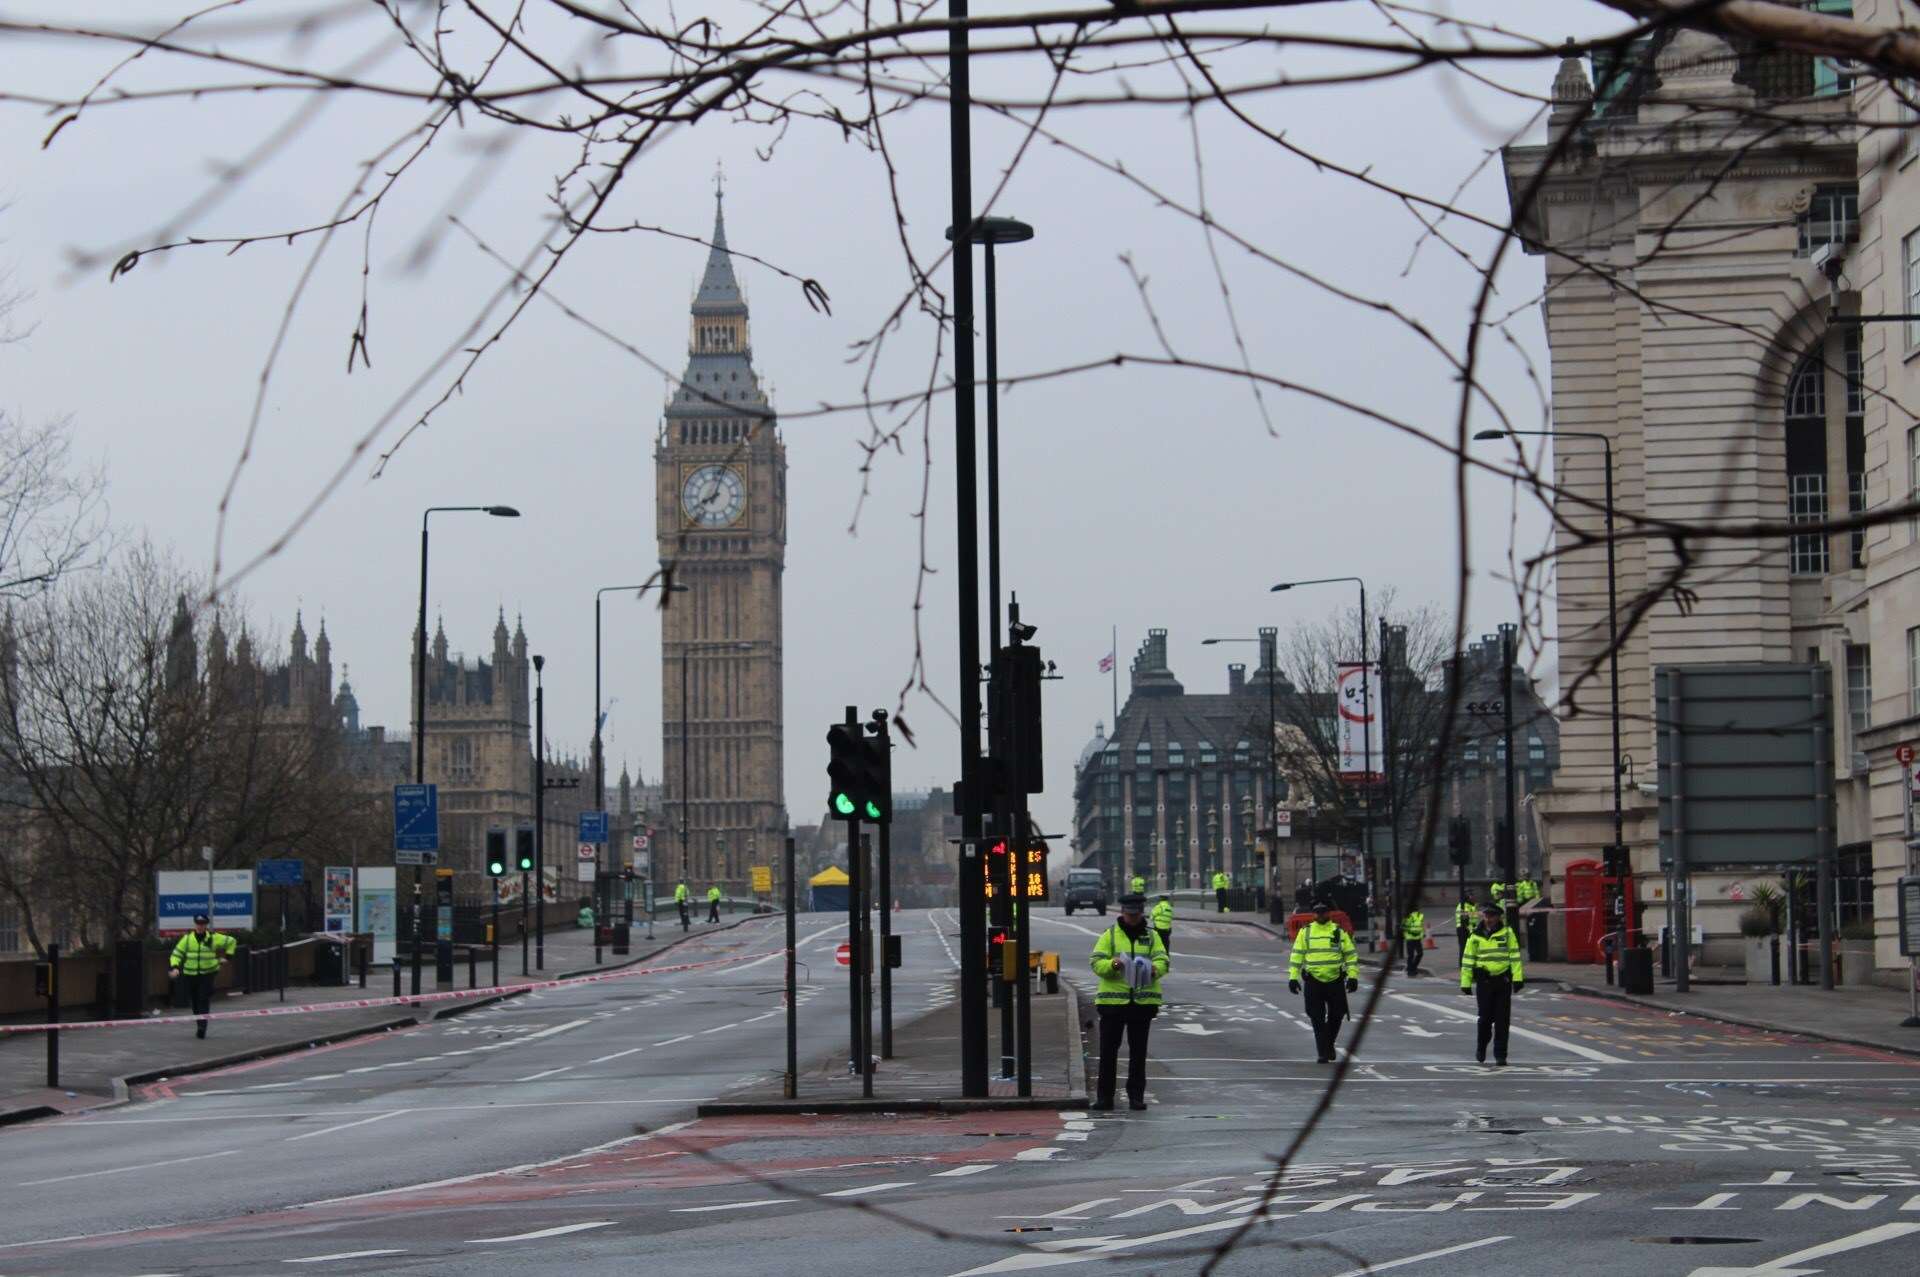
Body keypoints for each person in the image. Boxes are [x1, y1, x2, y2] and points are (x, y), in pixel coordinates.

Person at [1088, 893, 1168, 1111]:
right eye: (1129, 914)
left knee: (1138, 1052)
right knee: (1108, 1052)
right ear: (1122, 913)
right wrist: (1112, 965)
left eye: (1136, 914)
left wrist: (1155, 969)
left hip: (1142, 1003)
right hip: (1113, 1004)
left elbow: (1163, 959)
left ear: (1142, 913)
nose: (1132, 918)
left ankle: (1136, 1097)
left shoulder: (1152, 937)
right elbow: (1095, 962)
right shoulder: (1110, 935)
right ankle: (1104, 1098)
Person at [1288, 899, 1358, 1063]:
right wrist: (1293, 977)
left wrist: (1353, 976)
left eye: (1324, 911)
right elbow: (1297, 955)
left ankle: (1328, 1044)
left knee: (1337, 1015)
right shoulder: (1306, 932)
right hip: (1313, 980)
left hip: (1335, 980)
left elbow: (1350, 955)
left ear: (1329, 913)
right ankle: (1323, 1052)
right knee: (1316, 1017)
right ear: (1314, 914)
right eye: (1318, 912)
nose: (1321, 915)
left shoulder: (1338, 932)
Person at [1461, 902, 1525, 1065]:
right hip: (1484, 982)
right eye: (1486, 916)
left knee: (1503, 1021)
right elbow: (1468, 960)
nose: (1488, 919)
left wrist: (1517, 978)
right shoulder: (1475, 936)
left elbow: (1515, 957)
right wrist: (1466, 982)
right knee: (1485, 1019)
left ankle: (1500, 1054)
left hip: (1502, 982)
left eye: (1492, 916)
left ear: (1498, 917)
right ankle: (1481, 1047)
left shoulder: (1507, 933)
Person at [169, 914, 236, 1040]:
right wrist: (175, 967)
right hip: (191, 974)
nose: (200, 926)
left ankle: (202, 1028)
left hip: (208, 973)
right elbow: (176, 954)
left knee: (203, 998)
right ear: (195, 925)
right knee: (194, 1001)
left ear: (206, 925)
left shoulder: (213, 938)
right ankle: (199, 1024)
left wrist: (228, 957)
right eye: (198, 924)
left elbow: (232, 941)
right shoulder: (187, 939)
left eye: (203, 924)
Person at [1401, 905, 1426, 977]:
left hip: (1417, 938)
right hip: (1410, 938)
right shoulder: (1409, 916)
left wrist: (1421, 934)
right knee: (1411, 955)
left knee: (1419, 954)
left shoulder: (1420, 916)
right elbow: (1404, 927)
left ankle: (1412, 968)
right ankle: (1410, 971)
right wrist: (1412, 932)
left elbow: (1420, 926)